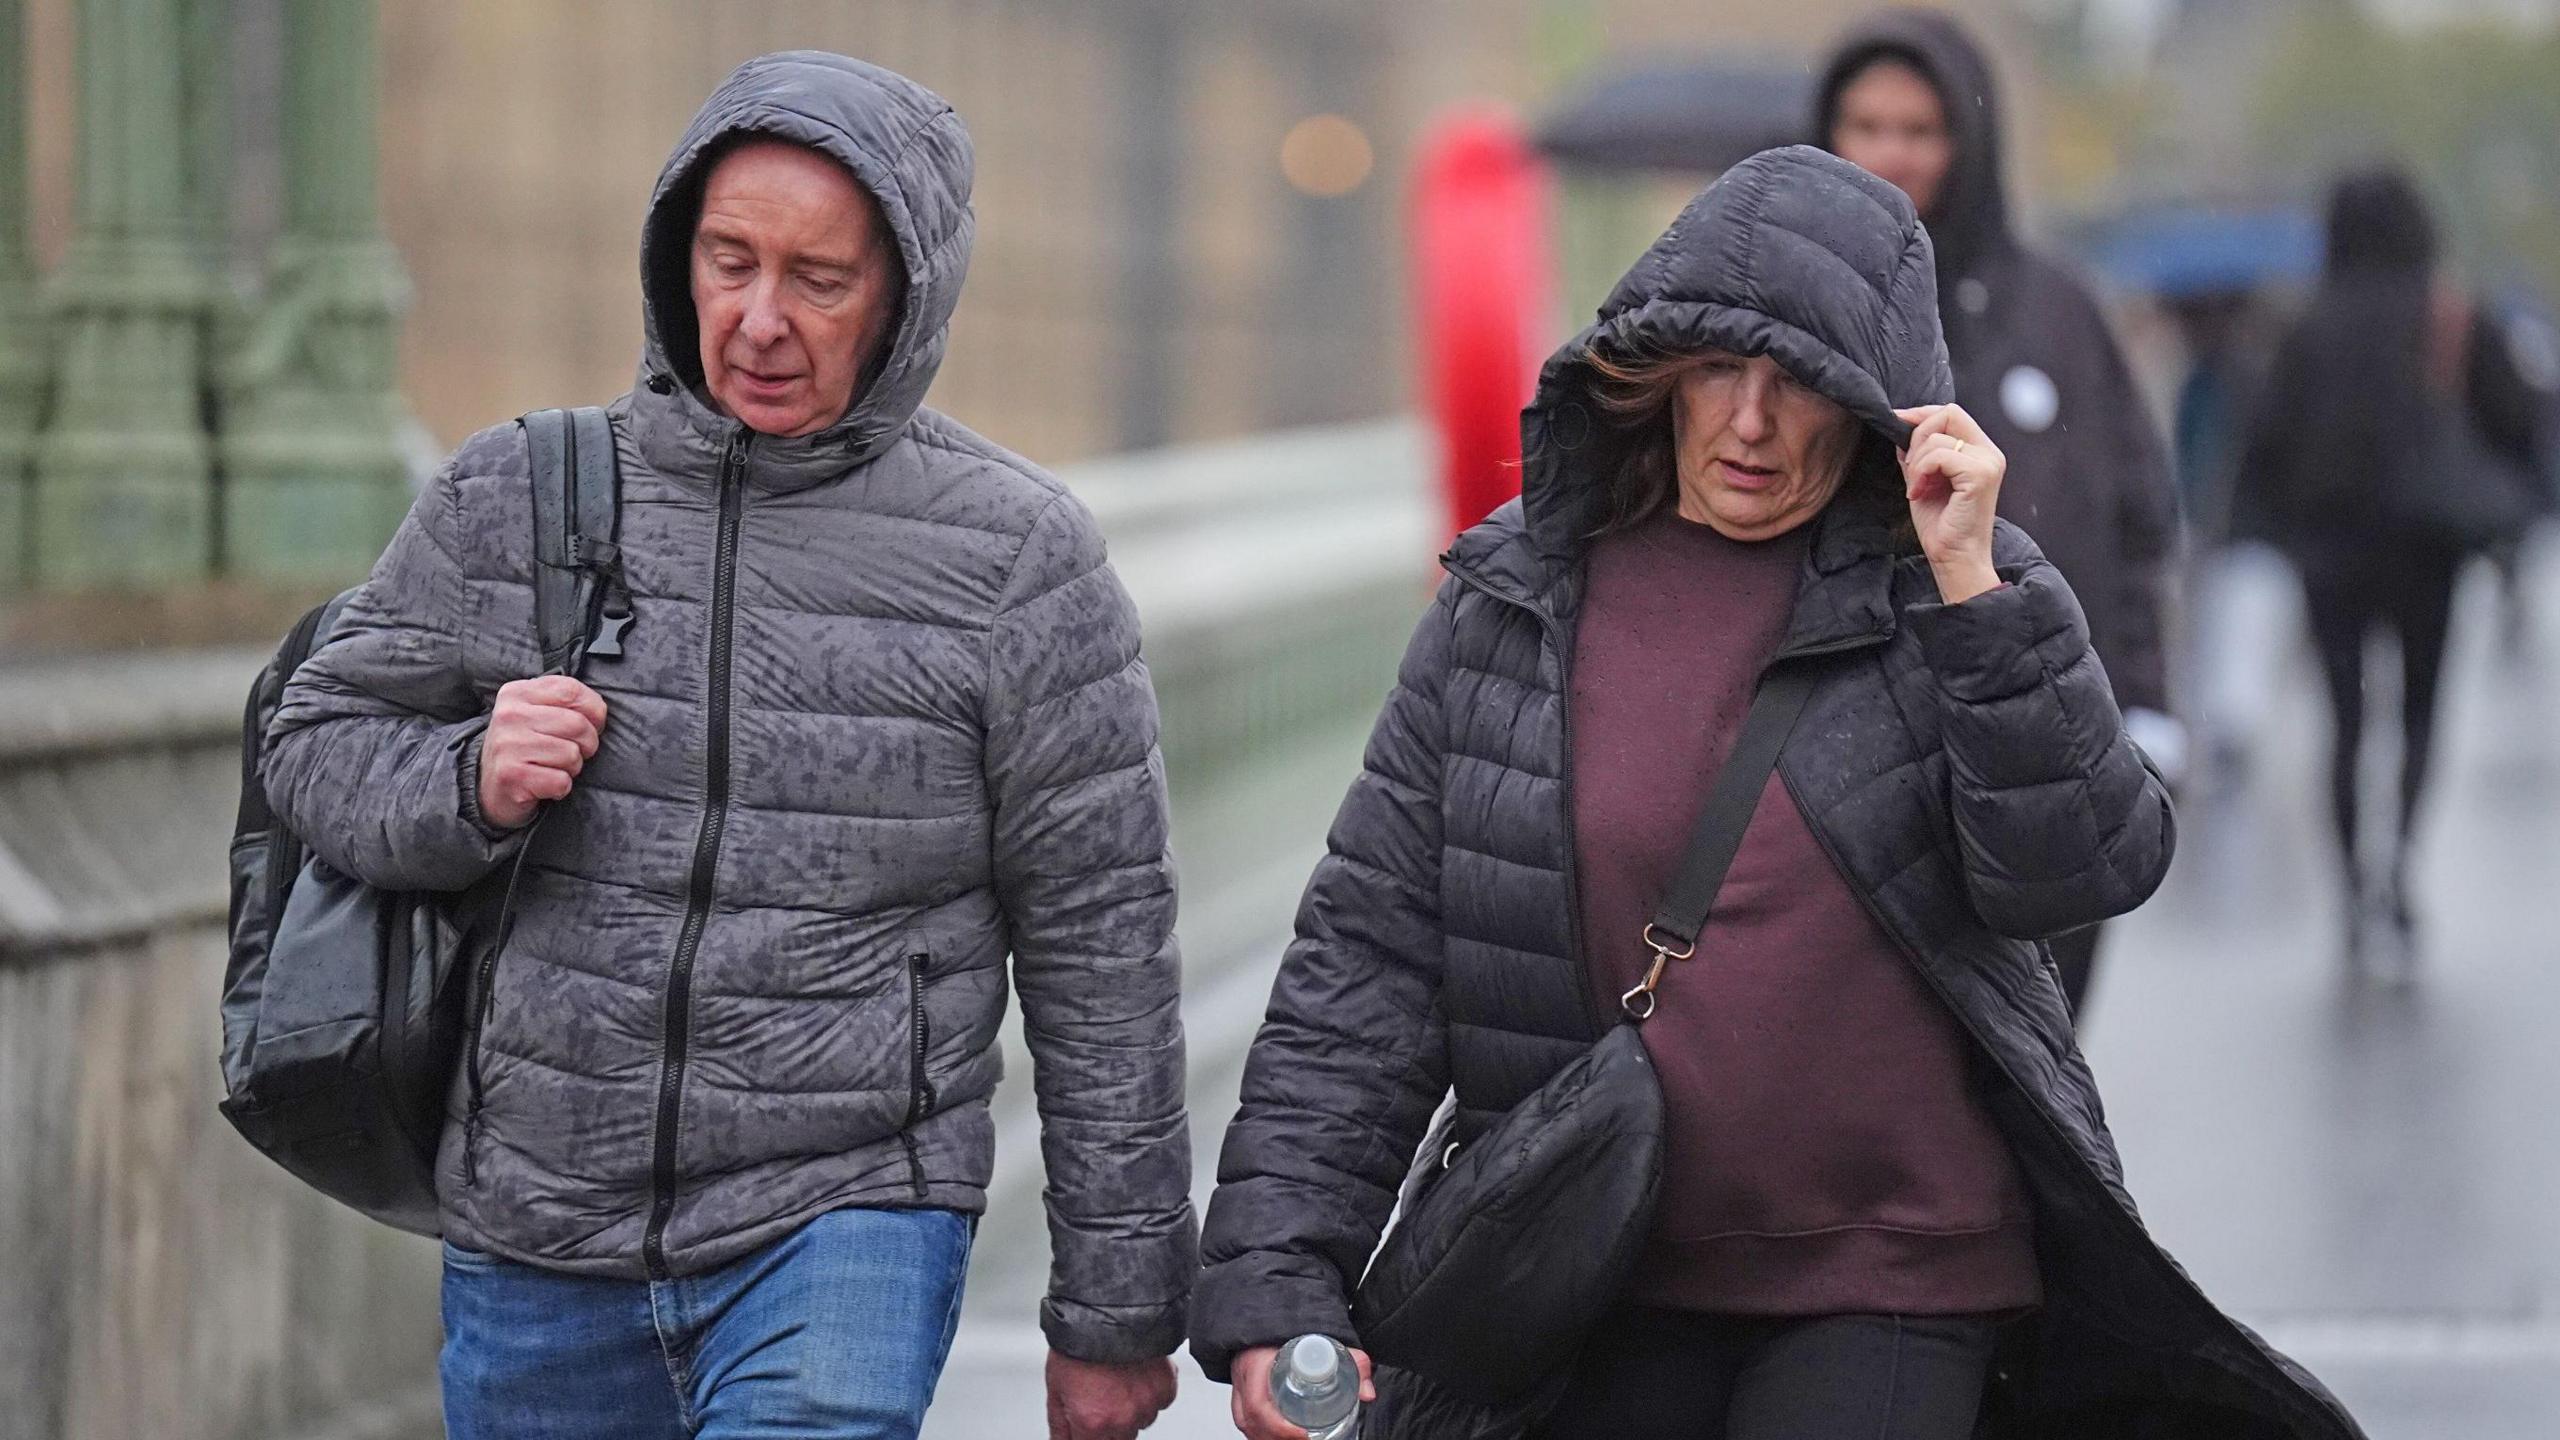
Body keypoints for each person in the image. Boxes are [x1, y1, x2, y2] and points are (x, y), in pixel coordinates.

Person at [1189, 147, 2362, 1440]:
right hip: (1594, 1267)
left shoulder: (1956, 589)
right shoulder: (1515, 603)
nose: (1750, 422)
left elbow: (2086, 867)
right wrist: (1281, 1276)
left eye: (1799, 383)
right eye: (1716, 371)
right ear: (1651, 375)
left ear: (1877, 407)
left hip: (1898, 1272)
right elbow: (1372, 959)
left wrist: (1982, 598)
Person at [261, 52, 1192, 1440]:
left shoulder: (1018, 563)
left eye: (818, 279)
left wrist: (1116, 1313)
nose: (759, 319)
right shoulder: (516, 494)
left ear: (906, 295)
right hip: (538, 1221)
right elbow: (314, 743)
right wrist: (467, 781)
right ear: (674, 257)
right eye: (728, 261)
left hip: (848, 1212)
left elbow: (1101, 941)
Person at [1816, 9, 2183, 1021]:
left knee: (2044, 1058)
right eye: (1865, 123)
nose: (1892, 152)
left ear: (1967, 140)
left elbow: (2137, 519)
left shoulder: (2055, 310)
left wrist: (2147, 706)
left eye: (1920, 127)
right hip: (1857, 759)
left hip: (2047, 745)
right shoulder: (1801, 314)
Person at [2231, 168, 2540, 977]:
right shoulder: (2453, 317)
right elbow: (2518, 423)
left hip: (2330, 554)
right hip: (2427, 549)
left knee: (2343, 720)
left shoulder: (2306, 332)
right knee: (2419, 712)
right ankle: (2398, 858)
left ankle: (2349, 888)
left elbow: (2263, 447)